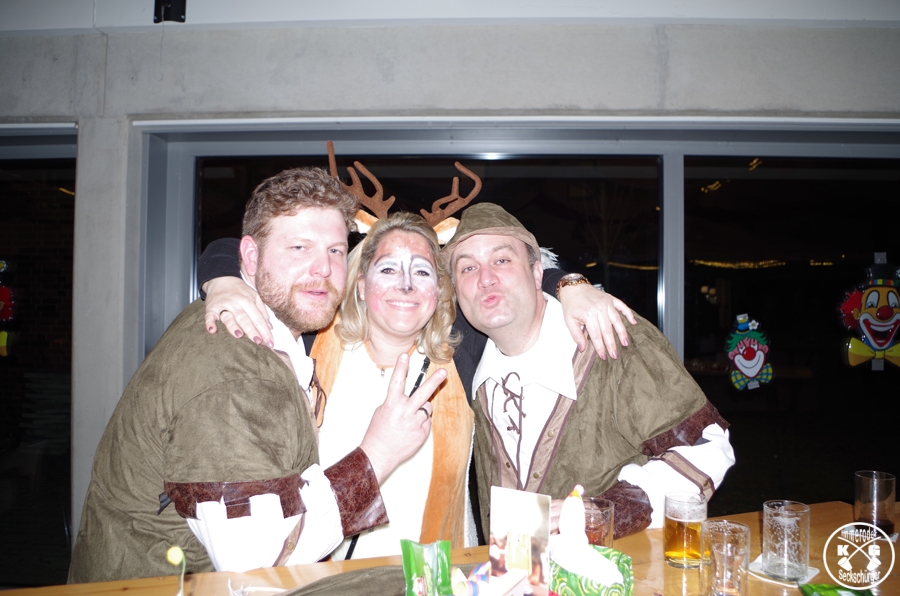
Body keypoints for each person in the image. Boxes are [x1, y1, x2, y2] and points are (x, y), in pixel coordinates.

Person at [68, 168, 446, 582]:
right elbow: (256, 566)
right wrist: (379, 453)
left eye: (335, 250)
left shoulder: (283, 342)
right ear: (249, 258)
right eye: (299, 247)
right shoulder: (236, 368)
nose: (322, 268)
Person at [441, 203, 735, 539]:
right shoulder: (464, 368)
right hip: (518, 568)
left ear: (537, 273)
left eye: (502, 260)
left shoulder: (610, 337)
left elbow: (707, 448)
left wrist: (599, 513)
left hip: (621, 568)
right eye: (468, 268)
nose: (485, 279)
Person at [308, 211, 474, 558]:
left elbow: (518, 284)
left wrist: (571, 287)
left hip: (435, 578)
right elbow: (249, 258)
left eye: (422, 272)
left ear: (439, 289)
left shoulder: (466, 355)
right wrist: (221, 283)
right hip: (328, 578)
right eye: (388, 269)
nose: (406, 285)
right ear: (360, 284)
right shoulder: (311, 347)